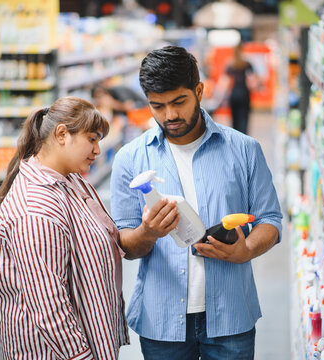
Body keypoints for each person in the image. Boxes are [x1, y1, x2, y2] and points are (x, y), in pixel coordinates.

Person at [110, 46, 282, 359]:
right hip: (162, 321)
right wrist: (148, 232)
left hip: (230, 314)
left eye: (179, 102)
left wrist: (246, 250)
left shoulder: (244, 150)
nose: (169, 115)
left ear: (199, 91)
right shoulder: (130, 159)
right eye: (157, 106)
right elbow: (126, 244)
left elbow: (270, 219)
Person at [0, 97, 129, 359]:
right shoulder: (36, 211)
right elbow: (50, 307)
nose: (98, 150)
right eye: (92, 139)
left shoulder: (69, 180)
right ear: (62, 134)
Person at [224, 42, 258, 134]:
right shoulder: (247, 64)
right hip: (244, 94)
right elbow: (252, 81)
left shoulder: (230, 64)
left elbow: (225, 82)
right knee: (244, 121)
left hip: (234, 94)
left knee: (234, 121)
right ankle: (244, 142)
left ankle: (235, 142)